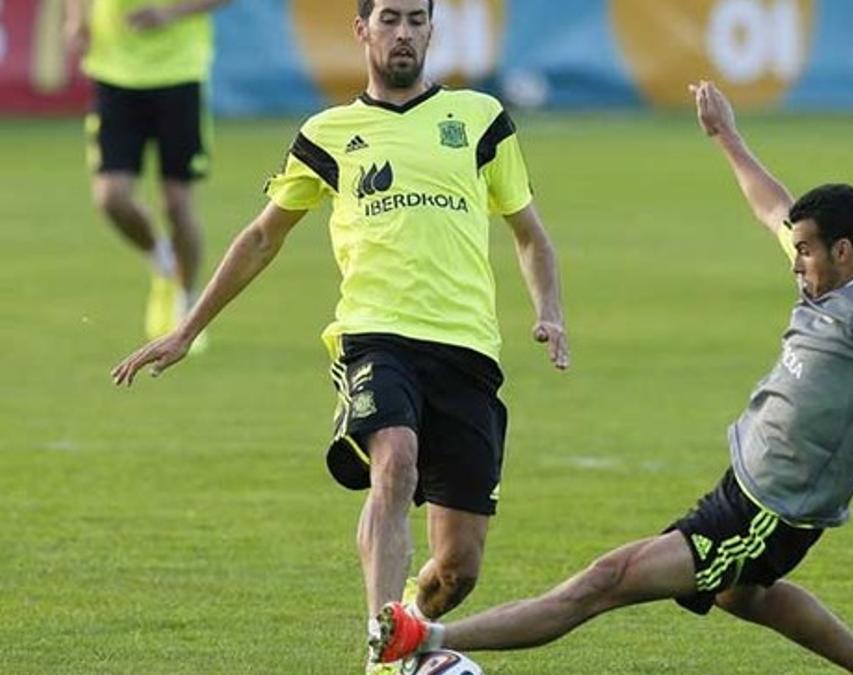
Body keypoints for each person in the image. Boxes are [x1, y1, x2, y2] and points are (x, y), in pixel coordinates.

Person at [368, 81, 853, 674]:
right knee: (742, 594)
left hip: (768, 510)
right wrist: (727, 135)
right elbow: (770, 204)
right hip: (748, 491)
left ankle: (427, 635)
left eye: (805, 249)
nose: (793, 259)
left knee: (606, 580)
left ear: (846, 253)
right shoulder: (823, 280)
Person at [110, 0, 569, 672]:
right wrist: (188, 327)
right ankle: (382, 654)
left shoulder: (479, 120)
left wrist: (550, 309)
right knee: (395, 460)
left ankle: (412, 620)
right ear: (362, 31)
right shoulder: (328, 133)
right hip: (374, 336)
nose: (403, 32)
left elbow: (530, 234)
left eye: (416, 19)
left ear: (433, 31)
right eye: (389, 19)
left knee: (458, 569)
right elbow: (263, 235)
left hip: (467, 348)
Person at [64, 0, 231, 343]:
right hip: (114, 71)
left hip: (179, 73)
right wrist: (76, 19)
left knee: (177, 204)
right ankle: (162, 259)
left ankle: (187, 308)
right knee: (111, 198)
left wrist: (169, 13)